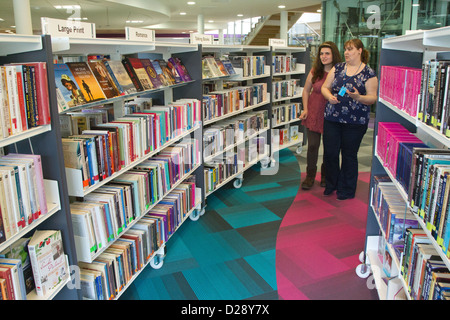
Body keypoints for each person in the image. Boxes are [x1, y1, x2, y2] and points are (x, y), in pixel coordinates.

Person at [320, 38, 378, 200]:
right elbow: (325, 86)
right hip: (332, 118)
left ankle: (347, 188)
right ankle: (332, 184)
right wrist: (329, 96)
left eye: (350, 49)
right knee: (330, 153)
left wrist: (358, 97)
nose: (346, 52)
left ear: (359, 51)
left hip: (355, 121)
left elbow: (372, 98)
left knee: (349, 154)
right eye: (345, 49)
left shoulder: (369, 73)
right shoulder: (338, 68)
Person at [300, 41, 341, 190]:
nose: (323, 56)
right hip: (314, 112)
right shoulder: (315, 71)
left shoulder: (339, 72)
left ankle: (325, 175)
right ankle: (310, 176)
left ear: (334, 55)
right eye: (321, 53)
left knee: (330, 148)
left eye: (327, 53)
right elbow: (306, 91)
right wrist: (305, 109)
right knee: (312, 146)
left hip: (331, 115)